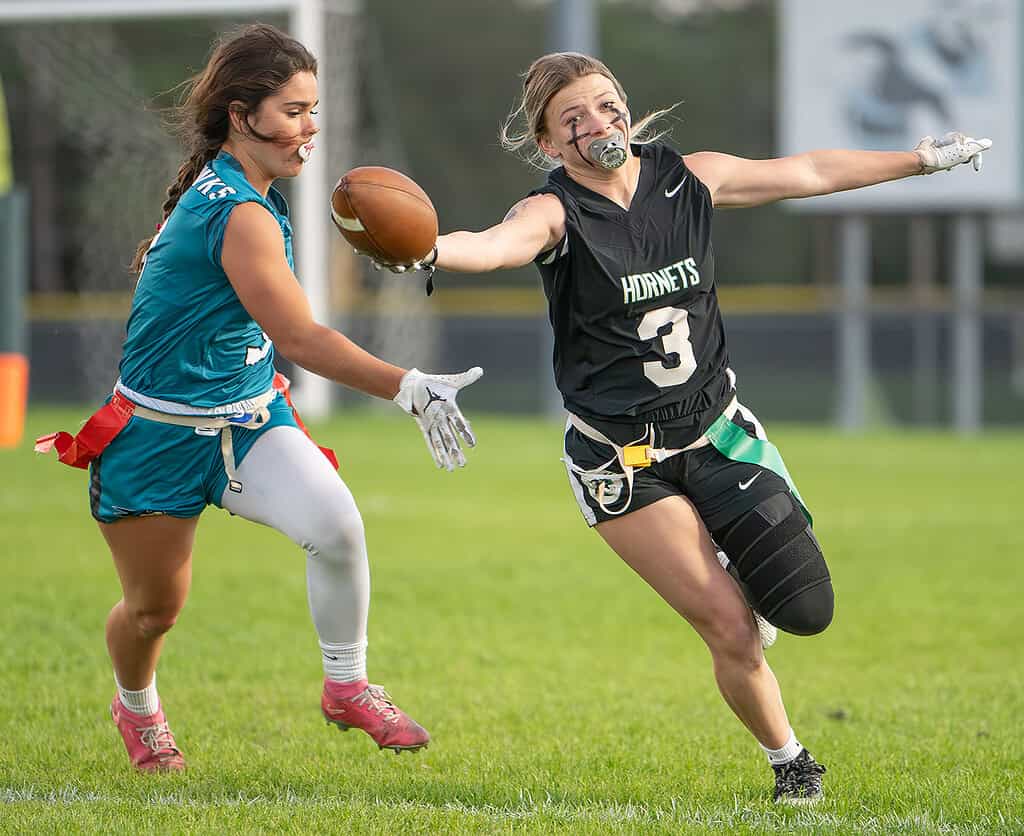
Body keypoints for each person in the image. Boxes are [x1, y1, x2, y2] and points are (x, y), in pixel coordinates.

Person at [376, 52, 990, 803]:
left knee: (807, 612)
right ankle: (790, 762)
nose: (596, 125)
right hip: (624, 464)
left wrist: (922, 159)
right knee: (729, 628)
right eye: (573, 119)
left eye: (605, 106)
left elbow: (809, 172)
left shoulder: (688, 177)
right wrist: (433, 247)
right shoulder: (556, 210)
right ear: (548, 145)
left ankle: (745, 578)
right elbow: (497, 243)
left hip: (718, 432)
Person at [35, 23, 482, 773]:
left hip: (246, 417)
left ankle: (347, 686)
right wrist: (408, 386)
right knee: (153, 612)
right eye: (291, 111)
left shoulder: (248, 191)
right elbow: (300, 339)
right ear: (241, 116)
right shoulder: (238, 211)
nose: (308, 129)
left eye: (313, 109)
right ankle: (137, 708)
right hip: (158, 434)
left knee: (338, 525)